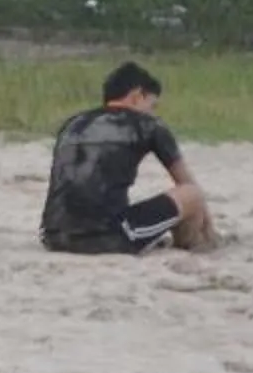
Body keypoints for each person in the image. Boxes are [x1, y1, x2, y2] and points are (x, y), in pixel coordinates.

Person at [41, 62, 216, 255]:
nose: (153, 112)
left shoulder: (73, 124)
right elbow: (186, 183)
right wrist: (209, 230)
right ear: (136, 96)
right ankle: (191, 247)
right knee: (191, 195)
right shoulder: (147, 125)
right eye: (152, 105)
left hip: (53, 235)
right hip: (104, 237)